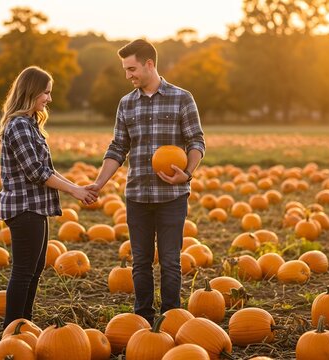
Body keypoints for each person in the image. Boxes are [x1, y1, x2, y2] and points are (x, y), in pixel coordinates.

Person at [87, 39, 205, 324]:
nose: (128, 76)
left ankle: (171, 318)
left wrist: (186, 173)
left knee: (170, 262)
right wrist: (98, 183)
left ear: (149, 64)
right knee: (140, 262)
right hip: (137, 195)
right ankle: (142, 319)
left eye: (131, 69)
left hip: (172, 196)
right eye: (126, 70)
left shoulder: (181, 98)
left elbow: (196, 141)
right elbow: (117, 148)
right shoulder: (126, 104)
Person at [0, 66, 98, 328]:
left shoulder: (30, 124)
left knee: (34, 270)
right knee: (23, 272)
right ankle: (14, 330)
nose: (49, 99)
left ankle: (23, 324)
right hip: (24, 209)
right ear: (31, 92)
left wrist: (77, 188)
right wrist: (74, 190)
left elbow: (48, 170)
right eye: (46, 93)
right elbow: (36, 172)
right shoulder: (19, 126)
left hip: (36, 208)